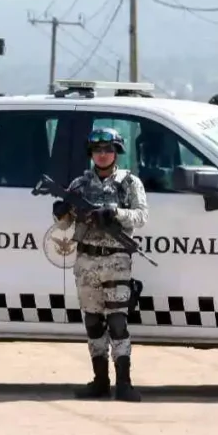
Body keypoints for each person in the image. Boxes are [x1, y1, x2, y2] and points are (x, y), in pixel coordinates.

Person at [52, 128, 149, 402]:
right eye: (98, 150)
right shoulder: (80, 184)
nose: (103, 154)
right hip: (86, 260)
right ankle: (100, 381)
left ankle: (125, 383)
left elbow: (141, 216)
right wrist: (60, 212)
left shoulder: (129, 183)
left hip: (116, 259)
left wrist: (114, 213)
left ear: (116, 152)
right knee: (93, 322)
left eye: (108, 149)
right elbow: (64, 224)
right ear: (91, 154)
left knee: (118, 322)